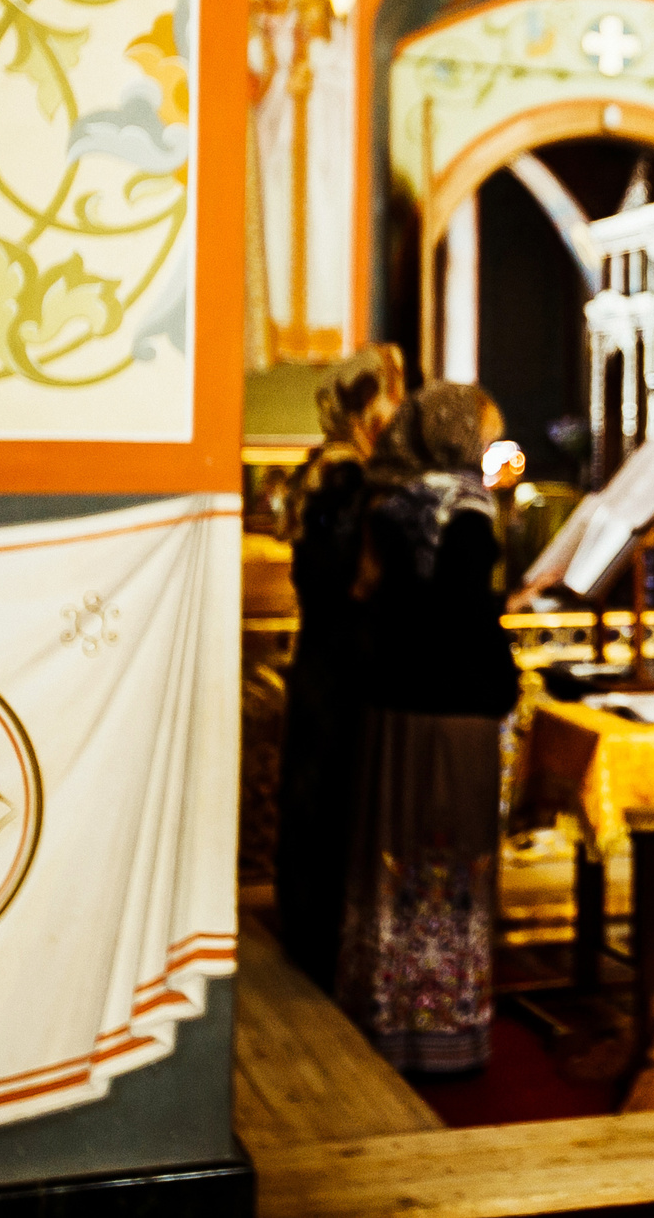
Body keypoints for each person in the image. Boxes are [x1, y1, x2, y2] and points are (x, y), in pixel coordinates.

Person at [335, 382, 523, 1074]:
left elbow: (409, 606)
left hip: (393, 706)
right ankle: (442, 1029)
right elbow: (463, 621)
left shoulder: (396, 499)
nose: (492, 442)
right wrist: (509, 644)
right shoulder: (465, 509)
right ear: (458, 435)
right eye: (486, 430)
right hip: (452, 711)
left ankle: (386, 1009)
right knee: (449, 866)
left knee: (397, 862)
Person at [275, 346, 406, 992]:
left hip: (320, 652)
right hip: (344, 656)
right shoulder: (348, 480)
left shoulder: (321, 468)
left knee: (314, 794)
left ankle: (308, 930)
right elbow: (350, 578)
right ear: (364, 411)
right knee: (334, 798)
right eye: (390, 402)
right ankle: (324, 942)